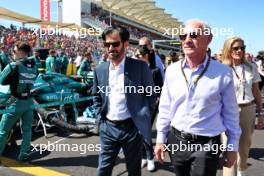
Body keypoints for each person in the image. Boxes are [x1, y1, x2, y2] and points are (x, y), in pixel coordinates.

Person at [154, 19, 241, 176]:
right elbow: (165, 107)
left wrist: (232, 147)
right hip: (177, 141)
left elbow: (231, 113)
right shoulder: (172, 70)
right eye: (183, 36)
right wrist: (161, 139)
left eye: (193, 35)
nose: (187, 40)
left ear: (208, 39)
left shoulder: (223, 72)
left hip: (207, 144)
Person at [93, 26, 157, 176]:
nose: (110, 48)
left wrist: (143, 120)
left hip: (132, 129)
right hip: (107, 128)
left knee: (134, 170)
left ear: (126, 44)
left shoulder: (140, 67)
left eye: (115, 44)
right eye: (107, 44)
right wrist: (99, 121)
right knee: (103, 170)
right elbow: (96, 96)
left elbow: (151, 96)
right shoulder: (100, 69)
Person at [222, 37, 264, 176]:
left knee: (244, 146)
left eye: (242, 48)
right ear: (229, 49)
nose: (240, 51)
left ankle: (242, 170)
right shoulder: (222, 69)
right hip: (228, 112)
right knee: (229, 147)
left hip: (248, 109)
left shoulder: (251, 67)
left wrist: (261, 113)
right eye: (236, 48)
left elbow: (256, 91)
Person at [0, 42, 38, 163]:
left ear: (21, 52)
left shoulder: (13, 65)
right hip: (29, 102)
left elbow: (2, 81)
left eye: (14, 51)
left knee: (2, 131)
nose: (13, 53)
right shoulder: (35, 65)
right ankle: (24, 155)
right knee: (27, 130)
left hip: (15, 102)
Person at [136, 45, 163, 171]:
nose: (136, 58)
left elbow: (160, 87)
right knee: (140, 133)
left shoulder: (155, 70)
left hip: (150, 105)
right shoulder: (135, 69)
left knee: (145, 131)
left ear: (145, 56)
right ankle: (144, 157)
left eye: (138, 56)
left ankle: (150, 158)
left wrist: (155, 99)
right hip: (136, 105)